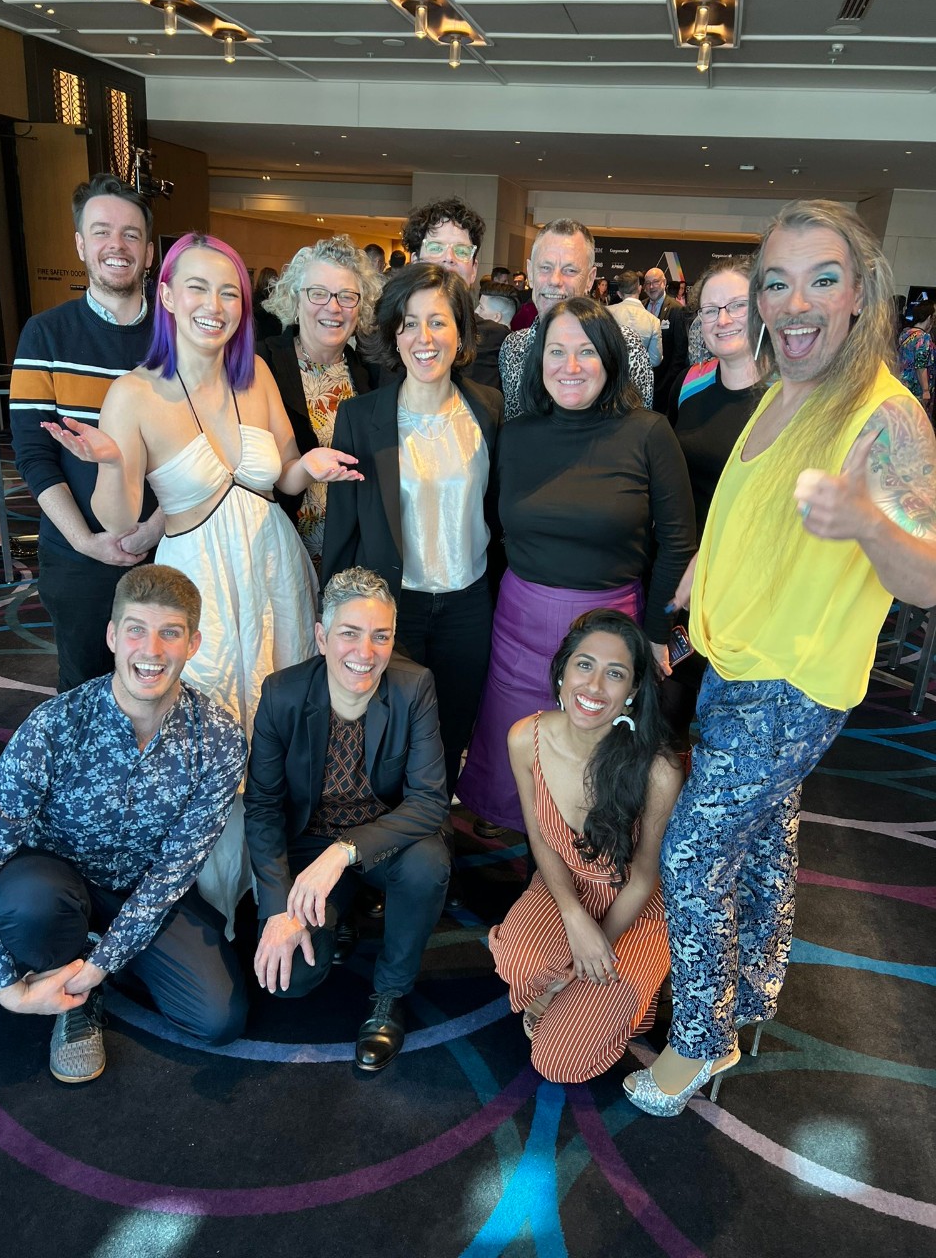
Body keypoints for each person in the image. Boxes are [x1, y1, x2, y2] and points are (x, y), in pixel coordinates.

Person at [625, 199, 936, 1117]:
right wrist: (697, 588)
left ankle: (700, 1041)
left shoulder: (887, 416)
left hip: (794, 684)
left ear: (858, 296)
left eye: (822, 279)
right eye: (777, 280)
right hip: (734, 658)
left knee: (690, 856)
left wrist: (867, 522)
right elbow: (750, 513)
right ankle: (752, 991)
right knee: (762, 840)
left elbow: (925, 576)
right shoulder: (783, 385)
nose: (796, 301)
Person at [42, 232, 361, 927]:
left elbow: (279, 474)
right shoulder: (133, 392)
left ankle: (270, 878)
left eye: (229, 292)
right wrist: (107, 460)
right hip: (196, 580)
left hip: (274, 570)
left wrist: (314, 467)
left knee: (277, 712)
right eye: (197, 287)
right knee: (211, 726)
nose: (214, 305)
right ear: (166, 296)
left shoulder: (254, 377)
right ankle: (210, 892)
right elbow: (122, 519)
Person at [0, 565, 248, 1084]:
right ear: (111, 636)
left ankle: (90, 965)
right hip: (54, 883)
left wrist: (103, 962)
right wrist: (4, 989)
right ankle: (70, 997)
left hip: (144, 890)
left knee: (219, 1018)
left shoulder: (219, 740)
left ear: (193, 643)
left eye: (170, 633)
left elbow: (173, 873)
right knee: (26, 904)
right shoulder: (54, 725)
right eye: (135, 630)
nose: (151, 650)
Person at [457, 296, 695, 834]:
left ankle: (575, 883)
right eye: (556, 352)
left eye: (585, 351)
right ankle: (528, 890)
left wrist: (657, 633)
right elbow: (493, 533)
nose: (570, 367)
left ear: (610, 358)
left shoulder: (649, 431)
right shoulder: (515, 435)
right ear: (538, 362)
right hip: (519, 620)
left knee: (596, 762)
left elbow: (679, 543)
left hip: (610, 624)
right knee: (519, 753)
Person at [244, 567, 450, 1071]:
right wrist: (276, 907)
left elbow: (429, 802)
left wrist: (345, 851)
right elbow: (264, 806)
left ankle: (389, 995)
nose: (365, 652)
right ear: (321, 636)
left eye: (380, 636)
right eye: (349, 634)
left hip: (383, 838)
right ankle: (338, 914)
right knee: (288, 982)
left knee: (428, 864)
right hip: (309, 842)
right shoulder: (281, 694)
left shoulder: (413, 686)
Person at [322, 263, 502, 802]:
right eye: (408, 323)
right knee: (385, 737)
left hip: (468, 606)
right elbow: (343, 529)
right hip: (391, 608)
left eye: (438, 323)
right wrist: (334, 616)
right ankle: (378, 848)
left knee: (448, 737)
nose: (424, 339)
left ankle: (433, 849)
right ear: (392, 335)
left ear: (461, 332)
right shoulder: (361, 416)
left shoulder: (488, 410)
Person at [490, 609, 683, 1082]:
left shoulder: (659, 770)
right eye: (584, 665)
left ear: (633, 691)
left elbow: (643, 878)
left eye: (615, 674)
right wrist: (575, 918)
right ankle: (581, 997)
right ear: (562, 671)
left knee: (558, 1061)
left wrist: (598, 945)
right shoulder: (525, 738)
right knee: (516, 959)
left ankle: (637, 990)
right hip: (564, 889)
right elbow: (540, 840)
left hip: (634, 908)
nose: (594, 687)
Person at [10, 173, 161, 691]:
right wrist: (86, 541)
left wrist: (157, 527)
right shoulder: (45, 333)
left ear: (148, 252)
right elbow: (33, 453)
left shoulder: (176, 336)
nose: (115, 246)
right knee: (84, 692)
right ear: (80, 244)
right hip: (77, 556)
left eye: (130, 235)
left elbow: (203, 444)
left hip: (169, 547)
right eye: (101, 232)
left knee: (168, 686)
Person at [661, 256, 763, 744]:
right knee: (668, 713)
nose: (721, 319)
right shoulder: (693, 381)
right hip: (682, 577)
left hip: (748, 587)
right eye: (709, 310)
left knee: (737, 731)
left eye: (736, 306)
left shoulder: (788, 397)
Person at [257, 235, 380, 565]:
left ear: (361, 308)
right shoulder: (263, 363)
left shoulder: (370, 375)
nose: (333, 307)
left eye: (347, 296)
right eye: (318, 293)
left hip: (349, 558)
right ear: (296, 299)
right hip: (279, 552)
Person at [499, 219, 653, 419]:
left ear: (590, 278)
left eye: (570, 270)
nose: (555, 280)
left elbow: (638, 435)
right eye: (545, 267)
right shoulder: (513, 348)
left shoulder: (626, 346)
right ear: (530, 271)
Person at [401, 196, 504, 391]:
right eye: (435, 248)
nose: (448, 258)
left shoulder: (497, 342)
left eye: (461, 250)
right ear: (415, 262)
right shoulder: (389, 334)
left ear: (474, 269)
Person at [643, 266, 689, 416]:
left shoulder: (676, 309)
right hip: (642, 382)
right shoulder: (640, 306)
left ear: (664, 283)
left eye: (655, 282)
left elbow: (680, 349)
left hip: (666, 382)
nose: (651, 286)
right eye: (647, 283)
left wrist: (669, 380)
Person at [610, 270, 663, 368]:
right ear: (639, 289)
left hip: (610, 378)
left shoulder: (605, 313)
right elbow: (655, 360)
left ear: (619, 294)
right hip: (638, 380)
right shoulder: (653, 321)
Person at [895, 299, 933, 417]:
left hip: (902, 383)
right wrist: (926, 391)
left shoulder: (905, 333)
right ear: (929, 318)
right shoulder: (924, 337)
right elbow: (920, 365)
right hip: (915, 387)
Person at [252, 266, 283, 343]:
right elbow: (257, 314)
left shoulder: (277, 295)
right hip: (262, 336)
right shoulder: (257, 297)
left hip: (271, 335)